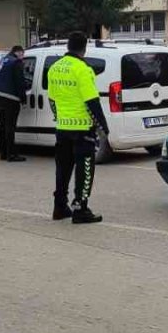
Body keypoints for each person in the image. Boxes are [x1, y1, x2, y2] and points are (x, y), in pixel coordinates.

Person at [46, 32, 109, 224]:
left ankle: (59, 206)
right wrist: (103, 127)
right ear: (84, 48)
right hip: (82, 129)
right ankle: (80, 208)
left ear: (68, 46)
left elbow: (52, 99)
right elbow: (92, 101)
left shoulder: (54, 68)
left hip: (62, 128)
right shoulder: (83, 69)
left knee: (63, 169)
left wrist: (59, 118)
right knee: (85, 169)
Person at [0, 45, 27, 162]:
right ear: (18, 52)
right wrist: (23, 98)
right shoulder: (16, 62)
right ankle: (11, 154)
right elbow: (19, 81)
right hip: (10, 98)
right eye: (22, 55)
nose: (22, 58)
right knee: (10, 126)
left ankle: (3, 153)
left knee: (3, 125)